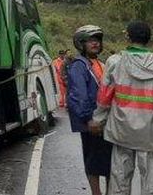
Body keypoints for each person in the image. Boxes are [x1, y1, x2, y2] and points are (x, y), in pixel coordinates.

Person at [89, 21, 153, 195]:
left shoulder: (115, 62)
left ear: (128, 37)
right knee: (152, 185)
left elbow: (104, 97)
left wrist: (97, 120)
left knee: (119, 180)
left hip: (122, 132)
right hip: (152, 135)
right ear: (149, 39)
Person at [67, 25, 113, 195]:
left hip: (106, 121)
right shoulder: (79, 65)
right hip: (92, 122)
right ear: (81, 43)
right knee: (93, 160)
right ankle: (96, 193)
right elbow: (78, 95)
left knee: (110, 162)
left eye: (97, 40)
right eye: (90, 40)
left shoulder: (101, 64)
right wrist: (88, 119)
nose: (95, 43)